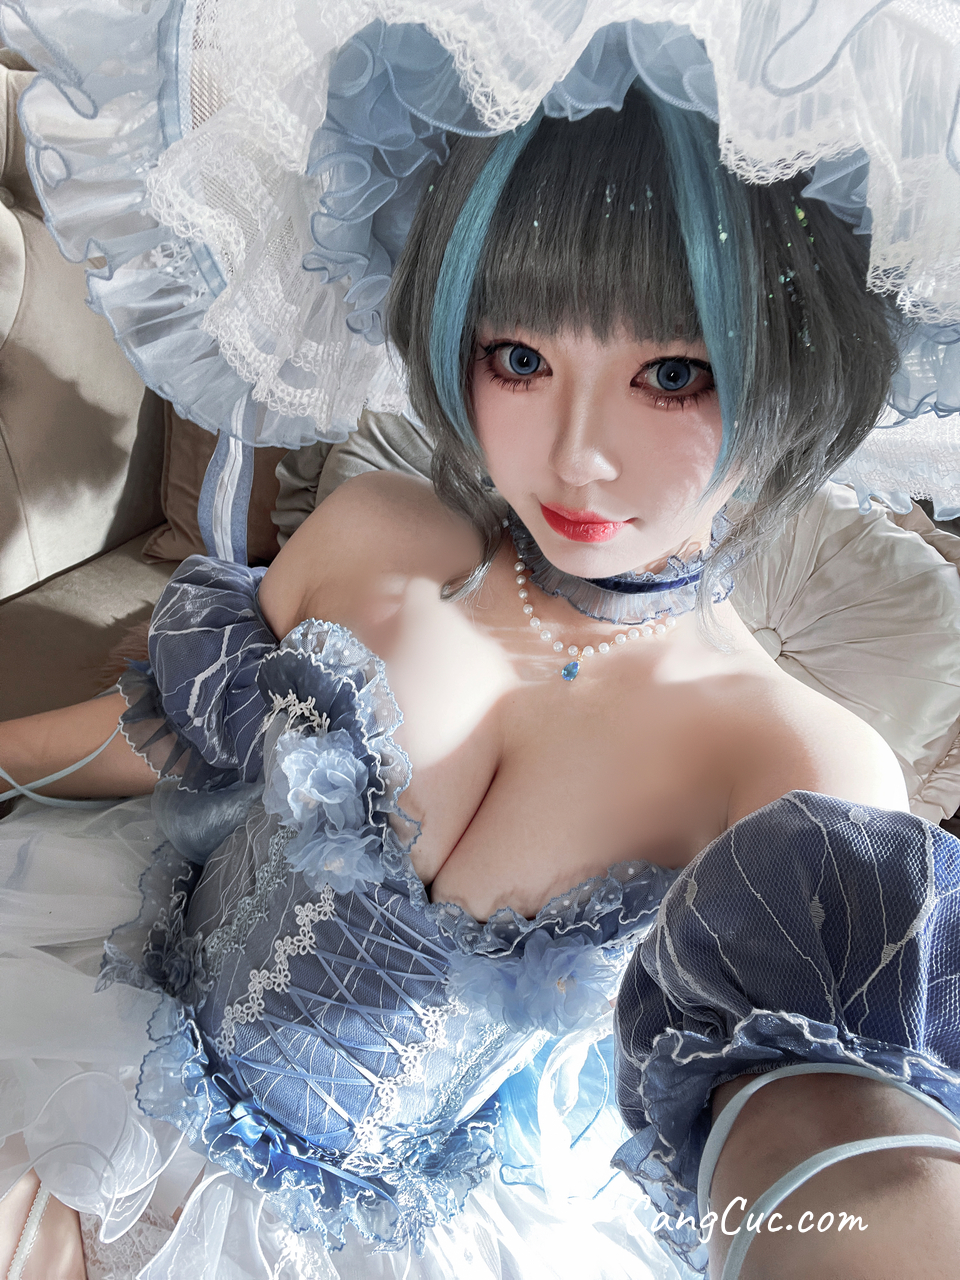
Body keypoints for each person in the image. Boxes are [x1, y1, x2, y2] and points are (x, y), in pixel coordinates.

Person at [3, 12, 960, 1280]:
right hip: (99, 1050)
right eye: (520, 356)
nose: (576, 453)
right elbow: (179, 738)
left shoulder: (798, 768)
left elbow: (819, 1138)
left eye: (674, 373)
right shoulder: (381, 535)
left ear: (796, 369)